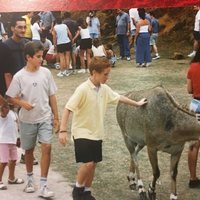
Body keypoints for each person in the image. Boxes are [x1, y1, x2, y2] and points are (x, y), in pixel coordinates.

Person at [58, 57, 147, 200]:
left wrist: (137, 104)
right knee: (87, 164)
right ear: (94, 73)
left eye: (108, 74)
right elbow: (68, 108)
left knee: (93, 165)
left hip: (97, 133)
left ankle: (87, 191)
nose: (108, 77)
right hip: (82, 132)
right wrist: (62, 131)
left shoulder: (104, 89)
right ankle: (77, 190)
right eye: (105, 74)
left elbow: (119, 98)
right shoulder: (82, 89)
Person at [6, 41, 59, 198]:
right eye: (38, 57)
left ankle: (43, 184)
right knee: (28, 151)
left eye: (41, 56)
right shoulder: (19, 77)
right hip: (27, 120)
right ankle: (30, 180)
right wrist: (22, 103)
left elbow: (52, 96)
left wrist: (56, 116)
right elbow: (9, 98)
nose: (41, 59)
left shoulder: (46, 73)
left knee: (47, 147)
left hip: (44, 118)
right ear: (28, 57)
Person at [4, 17, 38, 165]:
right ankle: (7, 155)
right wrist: (12, 93)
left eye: (24, 27)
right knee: (10, 122)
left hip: (26, 88)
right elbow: (6, 73)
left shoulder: (27, 45)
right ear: (12, 28)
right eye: (19, 27)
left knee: (27, 121)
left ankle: (26, 153)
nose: (23, 30)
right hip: (10, 89)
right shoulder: (5, 46)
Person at [0, 102, 24, 190]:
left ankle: (11, 178)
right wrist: (5, 104)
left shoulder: (14, 114)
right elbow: (3, 112)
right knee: (3, 161)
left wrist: (18, 138)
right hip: (3, 141)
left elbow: (16, 127)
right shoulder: (4, 110)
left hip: (12, 140)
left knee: (13, 159)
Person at [187, 47, 200, 188]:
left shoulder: (192, 67)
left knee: (194, 144)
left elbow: (189, 90)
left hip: (196, 105)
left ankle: (193, 178)